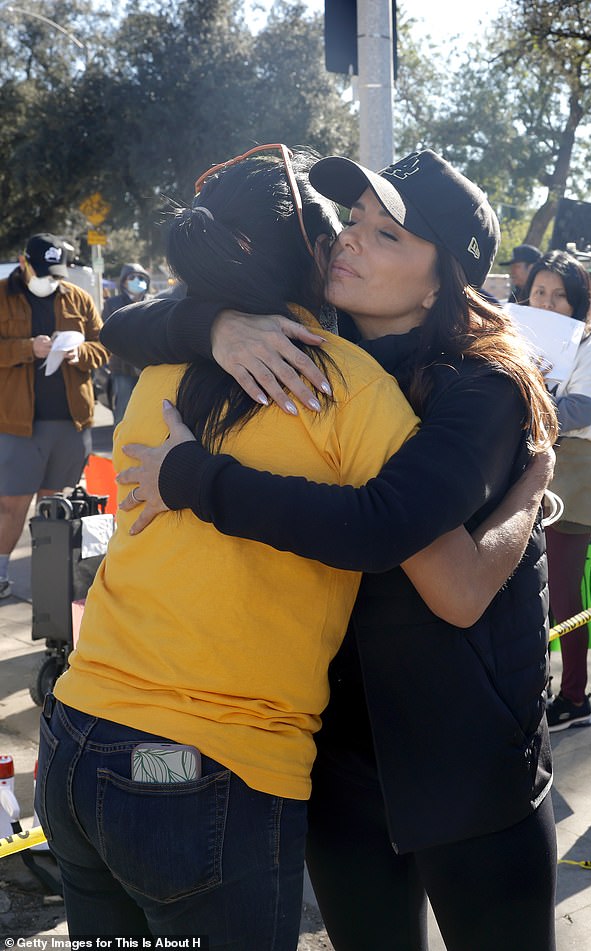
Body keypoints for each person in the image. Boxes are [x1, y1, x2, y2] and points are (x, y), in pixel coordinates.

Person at [35, 147, 541, 949]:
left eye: (387, 236)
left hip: (453, 767)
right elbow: (126, 325)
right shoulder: (310, 353)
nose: (350, 241)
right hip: (285, 766)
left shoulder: (476, 387)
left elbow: (421, 556)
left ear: (445, 278)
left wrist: (529, 498)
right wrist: (217, 323)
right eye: (352, 223)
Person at [522, 250, 591, 732]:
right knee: (522, 592)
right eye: (540, 291)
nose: (548, 302)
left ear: (579, 302)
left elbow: (580, 410)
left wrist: (527, 398)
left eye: (560, 295)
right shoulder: (515, 334)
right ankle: (532, 690)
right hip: (527, 469)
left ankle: (575, 696)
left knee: (562, 593)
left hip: (573, 474)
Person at [0, 233, 109, 599]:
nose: (51, 279)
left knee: (54, 503)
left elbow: (103, 344)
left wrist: (83, 355)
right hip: (17, 423)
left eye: (57, 272)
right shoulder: (3, 295)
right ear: (23, 262)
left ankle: (50, 584)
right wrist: (26, 348)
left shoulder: (78, 298)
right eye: (44, 271)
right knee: (11, 504)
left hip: (71, 421)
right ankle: (0, 574)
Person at [102, 263, 152, 425]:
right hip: (123, 369)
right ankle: (120, 448)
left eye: (141, 278)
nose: (137, 280)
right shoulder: (112, 304)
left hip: (150, 368)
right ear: (124, 282)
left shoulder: (155, 302)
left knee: (152, 413)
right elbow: (107, 334)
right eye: (132, 278)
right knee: (123, 413)